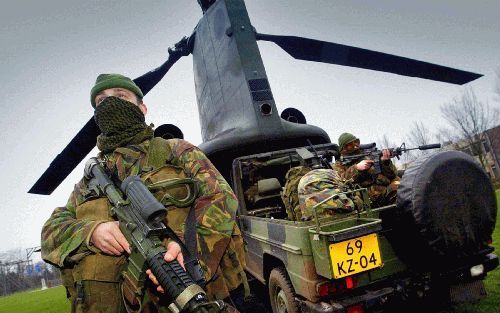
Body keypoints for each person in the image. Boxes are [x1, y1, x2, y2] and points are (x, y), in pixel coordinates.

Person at [41, 74, 249, 312]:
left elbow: (220, 199)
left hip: (193, 292)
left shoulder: (177, 151)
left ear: (142, 107)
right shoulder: (88, 182)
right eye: (101, 101)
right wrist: (91, 231)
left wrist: (189, 254)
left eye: (121, 96)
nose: (110, 103)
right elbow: (51, 230)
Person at [335, 133, 400, 207]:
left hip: (382, 189)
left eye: (356, 142)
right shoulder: (339, 164)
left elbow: (392, 175)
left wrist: (385, 162)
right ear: (344, 147)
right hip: (364, 195)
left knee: (401, 184)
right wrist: (356, 168)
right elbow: (341, 181)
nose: (355, 146)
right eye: (350, 144)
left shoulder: (367, 154)